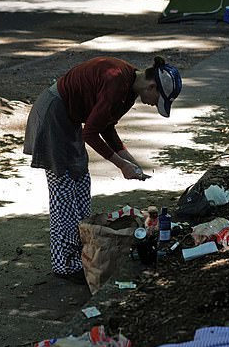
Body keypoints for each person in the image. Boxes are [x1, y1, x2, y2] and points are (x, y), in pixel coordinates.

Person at [23, 55, 182, 282]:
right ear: (152, 85)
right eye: (156, 100)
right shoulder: (117, 82)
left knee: (81, 182)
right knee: (65, 190)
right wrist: (121, 166)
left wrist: (130, 162)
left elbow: (106, 128)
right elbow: (90, 132)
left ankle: (81, 254)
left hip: (69, 117)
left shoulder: (129, 91)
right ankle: (65, 265)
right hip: (54, 113)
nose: (153, 105)